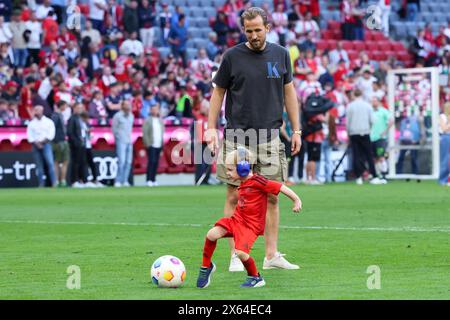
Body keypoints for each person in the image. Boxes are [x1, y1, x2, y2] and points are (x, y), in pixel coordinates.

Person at [206, 7, 302, 272]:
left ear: (268, 28)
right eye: (249, 31)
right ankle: (236, 255)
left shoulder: (281, 54)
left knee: (272, 197)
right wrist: (210, 128)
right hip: (237, 135)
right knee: (235, 196)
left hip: (271, 136)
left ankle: (271, 256)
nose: (254, 35)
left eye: (258, 30)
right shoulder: (232, 56)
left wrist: (296, 130)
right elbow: (218, 93)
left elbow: (289, 92)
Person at [196, 147, 302, 288]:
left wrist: (296, 200)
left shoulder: (258, 181)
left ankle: (255, 277)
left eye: (230, 169)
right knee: (211, 234)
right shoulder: (243, 182)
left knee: (240, 253)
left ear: (243, 168)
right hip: (236, 221)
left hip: (249, 227)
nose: (227, 173)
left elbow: (280, 187)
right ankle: (206, 266)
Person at [346, 89, 383, 185]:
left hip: (354, 133)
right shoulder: (367, 106)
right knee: (369, 155)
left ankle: (358, 176)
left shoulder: (350, 106)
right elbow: (372, 120)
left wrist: (348, 133)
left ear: (354, 94)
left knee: (356, 155)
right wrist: (368, 128)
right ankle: (373, 176)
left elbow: (347, 122)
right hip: (365, 132)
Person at [26, 105, 57, 187]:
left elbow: (51, 135)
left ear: (42, 111)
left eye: (37, 110)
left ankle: (54, 183)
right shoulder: (32, 123)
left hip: (46, 144)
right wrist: (37, 143)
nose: (36, 111)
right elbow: (30, 136)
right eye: (35, 110)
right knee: (39, 166)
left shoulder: (48, 122)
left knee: (50, 163)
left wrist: (42, 142)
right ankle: (41, 184)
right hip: (35, 145)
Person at [370, 96, 393, 181]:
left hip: (380, 138)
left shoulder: (383, 111)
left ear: (378, 102)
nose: (373, 103)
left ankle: (384, 174)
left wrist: (385, 131)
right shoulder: (370, 111)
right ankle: (377, 175)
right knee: (374, 158)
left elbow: (391, 120)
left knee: (381, 156)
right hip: (371, 137)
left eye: (375, 101)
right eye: (372, 101)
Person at [112, 100, 134, 187]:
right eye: (126, 105)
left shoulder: (131, 116)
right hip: (121, 141)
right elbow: (114, 129)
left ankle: (125, 180)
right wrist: (118, 138)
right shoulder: (117, 116)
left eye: (129, 104)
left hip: (129, 140)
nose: (128, 106)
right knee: (121, 161)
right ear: (122, 106)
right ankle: (118, 180)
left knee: (128, 162)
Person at [142, 104, 165, 187]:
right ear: (151, 111)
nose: (155, 111)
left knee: (156, 163)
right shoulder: (147, 120)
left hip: (158, 144)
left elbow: (162, 133)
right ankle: (148, 179)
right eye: (153, 109)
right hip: (151, 144)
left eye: (156, 109)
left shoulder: (160, 120)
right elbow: (145, 133)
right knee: (151, 162)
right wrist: (147, 144)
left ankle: (154, 179)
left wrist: (162, 145)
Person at [80, 111, 103, 187]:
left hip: (88, 145)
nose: (88, 120)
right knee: (83, 163)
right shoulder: (80, 124)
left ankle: (95, 179)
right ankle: (83, 180)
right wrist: (87, 131)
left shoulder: (86, 124)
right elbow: (81, 134)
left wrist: (89, 133)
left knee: (91, 163)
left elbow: (87, 136)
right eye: (87, 118)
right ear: (83, 118)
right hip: (82, 146)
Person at [67, 103, 87, 188]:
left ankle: (81, 180)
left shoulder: (79, 118)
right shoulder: (72, 118)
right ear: (74, 108)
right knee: (75, 163)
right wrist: (76, 142)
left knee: (81, 162)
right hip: (76, 145)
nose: (80, 109)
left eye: (81, 108)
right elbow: (70, 133)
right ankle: (74, 181)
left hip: (81, 143)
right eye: (78, 108)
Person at [51, 101, 70, 187]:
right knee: (59, 161)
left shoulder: (59, 115)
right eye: (65, 106)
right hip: (59, 141)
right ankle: (60, 181)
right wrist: (56, 140)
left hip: (60, 140)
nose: (66, 107)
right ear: (61, 106)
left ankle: (60, 181)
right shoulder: (56, 115)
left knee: (59, 161)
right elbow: (53, 128)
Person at [438, 102, 450, 186]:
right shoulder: (442, 117)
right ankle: (443, 179)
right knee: (446, 159)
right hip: (446, 137)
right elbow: (444, 129)